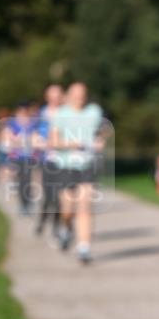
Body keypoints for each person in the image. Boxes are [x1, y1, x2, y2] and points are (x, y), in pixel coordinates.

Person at [49, 82, 104, 265]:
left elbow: (101, 131)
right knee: (68, 208)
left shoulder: (94, 111)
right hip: (65, 164)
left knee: (85, 206)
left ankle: (84, 248)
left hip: (87, 164)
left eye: (83, 94)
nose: (80, 98)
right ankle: (65, 229)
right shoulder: (61, 114)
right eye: (76, 95)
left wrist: (99, 141)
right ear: (69, 96)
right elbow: (54, 141)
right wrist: (73, 144)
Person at [34, 83, 65, 238]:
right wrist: (39, 141)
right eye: (53, 94)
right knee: (49, 195)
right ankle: (42, 221)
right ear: (47, 97)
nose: (56, 97)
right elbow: (34, 134)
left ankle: (56, 226)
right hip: (47, 159)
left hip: (64, 160)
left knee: (61, 196)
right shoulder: (41, 114)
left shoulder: (68, 113)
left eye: (58, 94)